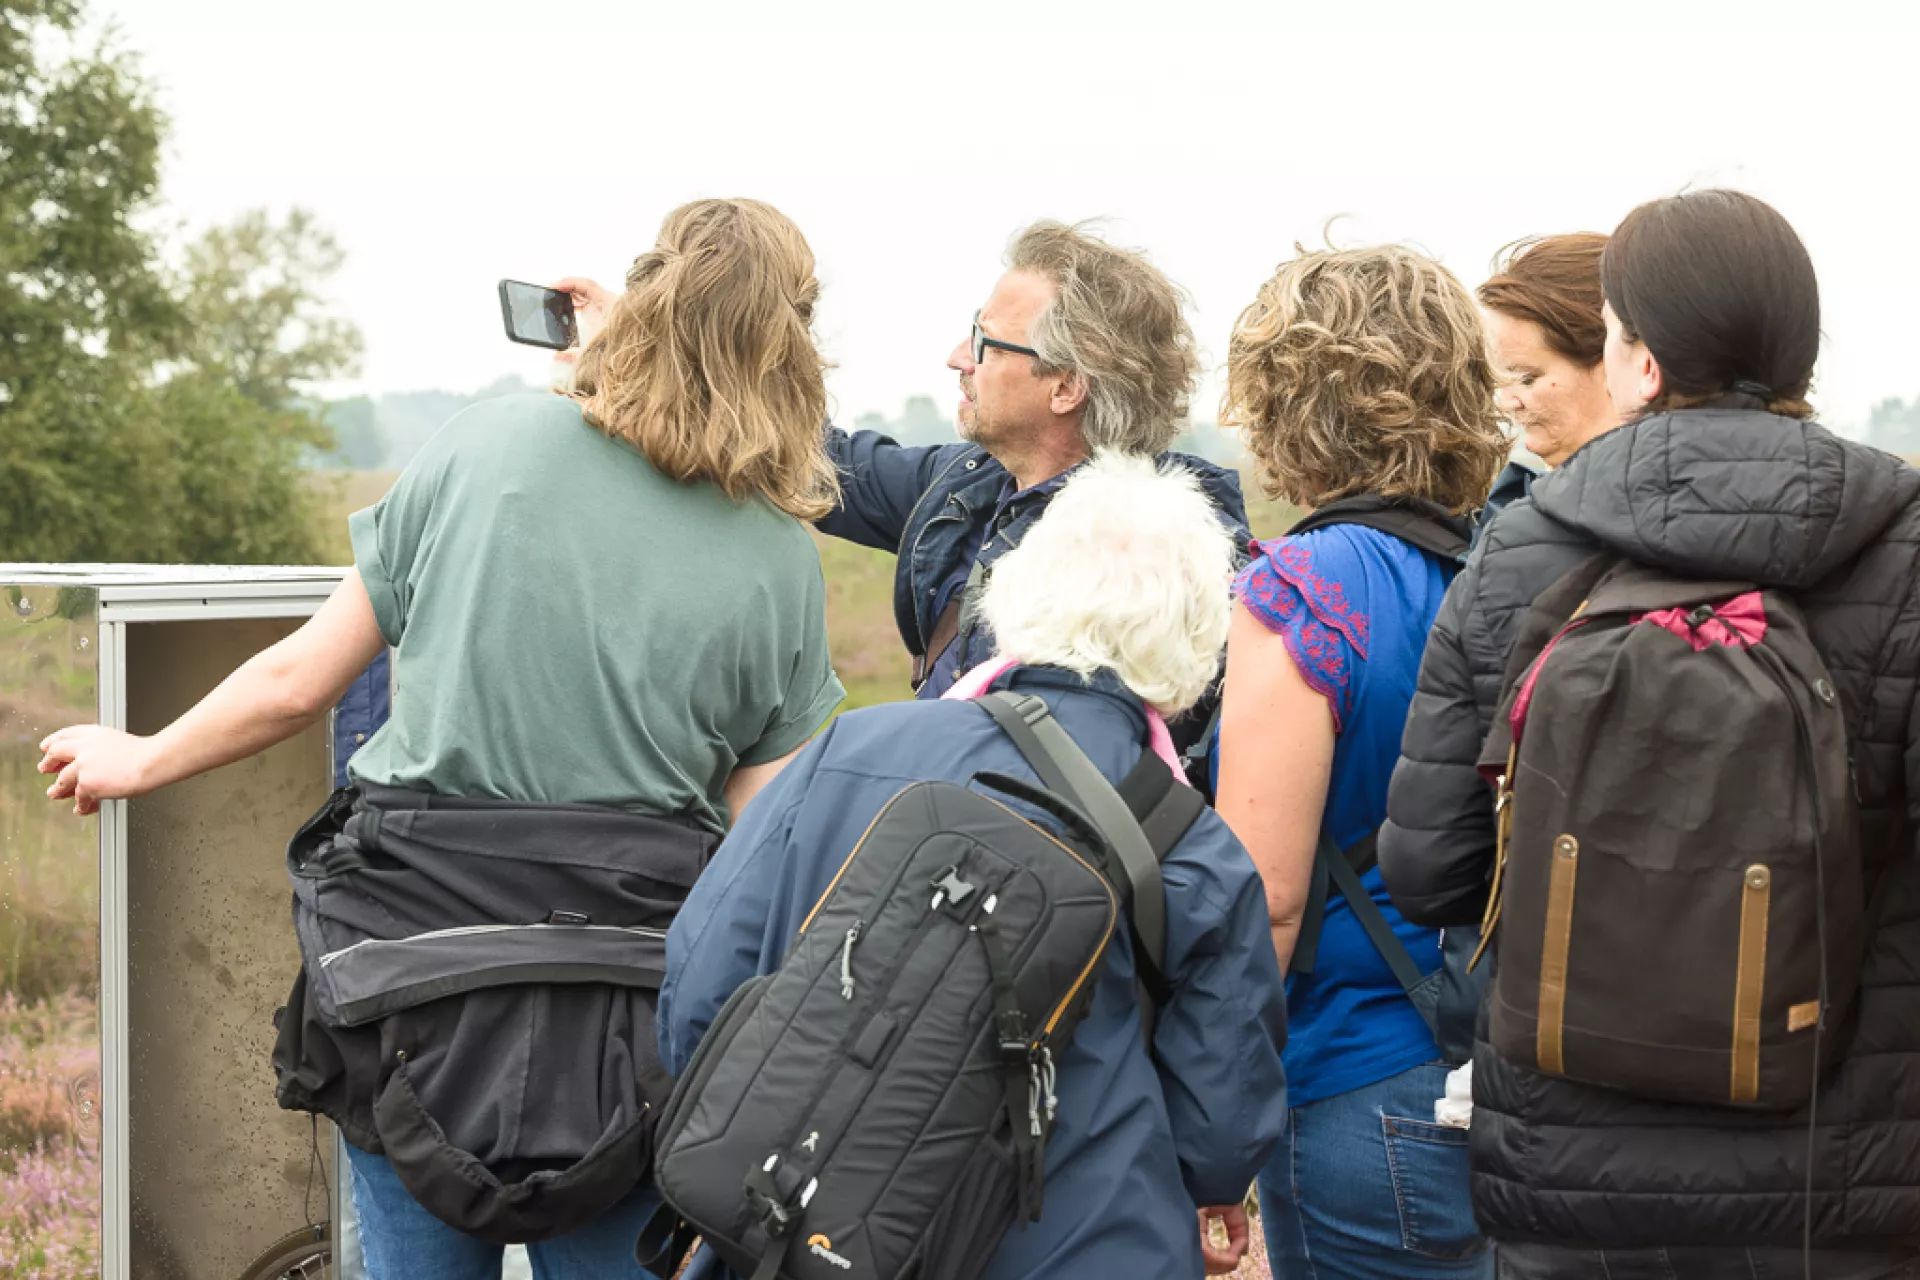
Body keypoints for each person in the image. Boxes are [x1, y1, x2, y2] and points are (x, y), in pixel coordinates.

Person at [39, 197, 847, 1280]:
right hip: (627, 1023)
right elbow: (769, 837)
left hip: (410, 976)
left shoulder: (492, 441)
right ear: (792, 348)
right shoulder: (780, 553)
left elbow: (295, 683)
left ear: (644, 301)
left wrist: (137, 755)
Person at [1379, 189, 1920, 1279]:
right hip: (1846, 1185)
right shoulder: (1904, 548)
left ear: (1642, 362)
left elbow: (1431, 867)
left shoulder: (1518, 553)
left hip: (1574, 1188)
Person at [658, 452, 1289, 1280]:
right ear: (1199, 641)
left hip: (818, 1233)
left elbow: (700, 995)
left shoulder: (849, 753)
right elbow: (1219, 1137)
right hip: (1091, 1249)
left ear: (1018, 589)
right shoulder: (1194, 847)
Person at [1212, 244, 1510, 1278]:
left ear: (1292, 401)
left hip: (1350, 1080)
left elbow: (1266, 896)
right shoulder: (1491, 573)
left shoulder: (1303, 584)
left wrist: (1210, 1128)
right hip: (1493, 1075)